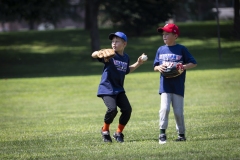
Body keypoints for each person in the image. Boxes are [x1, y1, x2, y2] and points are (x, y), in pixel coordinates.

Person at [91, 31, 146, 143]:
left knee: (127, 110)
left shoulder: (126, 57)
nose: (114, 44)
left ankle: (118, 133)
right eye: (113, 41)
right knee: (112, 109)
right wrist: (98, 52)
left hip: (119, 89)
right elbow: (94, 55)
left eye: (117, 41)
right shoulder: (109, 55)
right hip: (106, 88)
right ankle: (105, 131)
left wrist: (138, 63)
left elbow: (126, 70)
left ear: (124, 44)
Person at [153, 24, 197, 144]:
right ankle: (162, 134)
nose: (164, 36)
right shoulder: (160, 49)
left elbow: (193, 63)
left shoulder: (182, 49)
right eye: (163, 34)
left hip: (178, 85)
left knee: (178, 111)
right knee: (164, 109)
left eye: (167, 34)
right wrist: (159, 67)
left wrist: (182, 66)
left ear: (175, 35)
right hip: (165, 85)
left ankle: (181, 134)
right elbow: (155, 66)